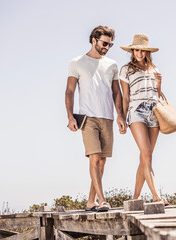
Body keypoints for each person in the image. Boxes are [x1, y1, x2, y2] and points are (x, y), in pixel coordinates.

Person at [65, 26, 127, 212]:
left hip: (107, 117)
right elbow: (69, 91)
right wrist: (70, 116)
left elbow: (117, 92)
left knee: (102, 161)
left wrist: (120, 115)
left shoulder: (112, 65)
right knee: (94, 157)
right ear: (94, 40)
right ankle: (102, 200)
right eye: (104, 43)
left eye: (110, 44)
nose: (107, 47)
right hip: (87, 118)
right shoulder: (77, 62)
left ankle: (91, 201)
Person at [119, 34, 168, 205]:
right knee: (146, 154)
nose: (139, 53)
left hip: (154, 111)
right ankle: (157, 196)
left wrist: (159, 84)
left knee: (145, 157)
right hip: (136, 111)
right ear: (132, 51)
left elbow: (158, 94)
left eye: (142, 50)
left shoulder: (155, 69)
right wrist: (122, 118)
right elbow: (125, 97)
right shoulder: (126, 69)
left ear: (147, 51)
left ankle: (135, 198)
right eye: (136, 50)